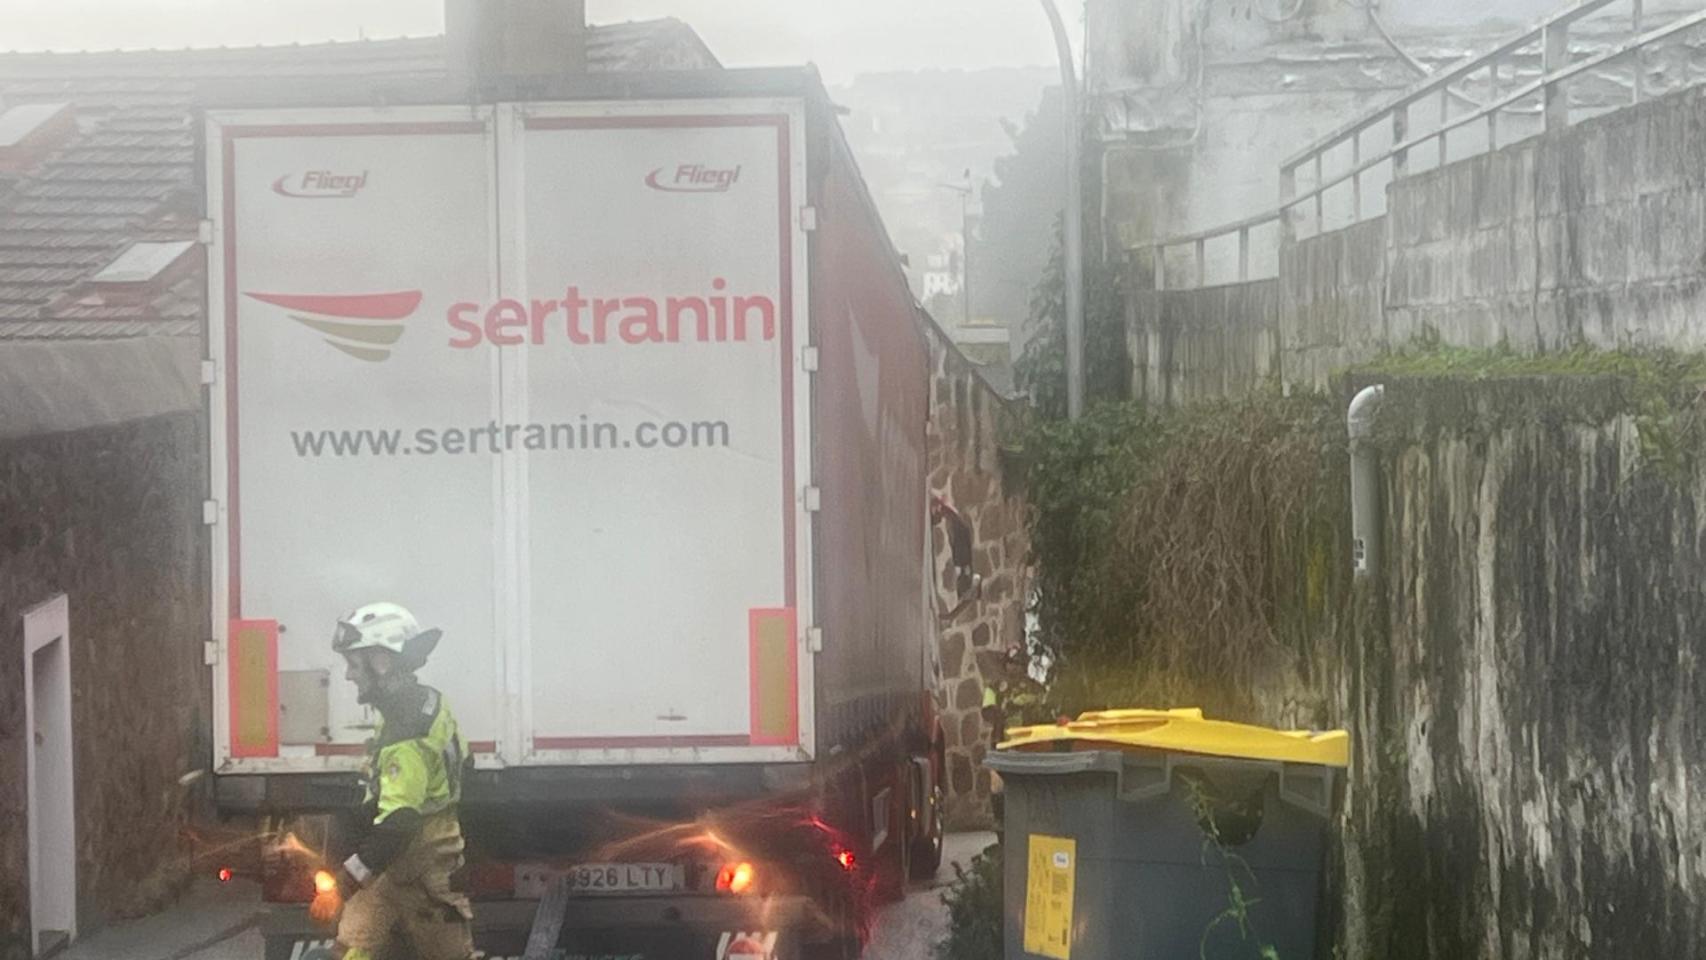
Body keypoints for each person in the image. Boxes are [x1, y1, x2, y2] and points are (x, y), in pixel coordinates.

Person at [310, 602, 474, 960]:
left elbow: (399, 820)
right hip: (403, 865)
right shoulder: (425, 703)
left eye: (354, 664)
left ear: (382, 662)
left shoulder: (406, 734)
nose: (350, 675)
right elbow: (464, 764)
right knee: (350, 949)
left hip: (419, 871)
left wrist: (346, 880)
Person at [982, 644, 1046, 822]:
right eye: (1010, 662)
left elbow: (1044, 712)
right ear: (1005, 664)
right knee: (998, 788)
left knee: (1032, 788)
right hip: (1001, 746)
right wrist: (1004, 709)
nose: (1014, 667)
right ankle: (1001, 826)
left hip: (1031, 748)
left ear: (1024, 665)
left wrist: (1024, 703)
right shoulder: (994, 688)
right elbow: (987, 711)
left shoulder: (1036, 689)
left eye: (1018, 663)